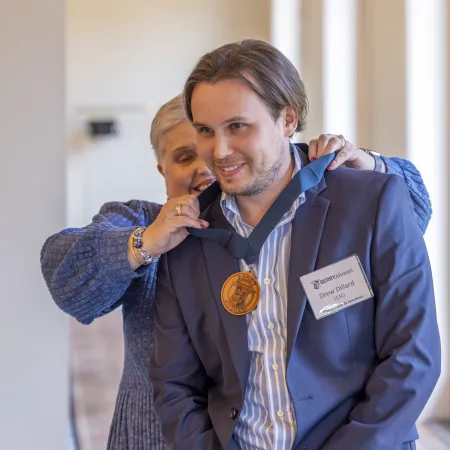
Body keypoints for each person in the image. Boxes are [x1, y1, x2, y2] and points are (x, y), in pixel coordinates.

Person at [41, 93, 432, 450]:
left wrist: (370, 164)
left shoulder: (305, 212)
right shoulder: (146, 222)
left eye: (214, 149)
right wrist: (145, 243)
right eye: (183, 157)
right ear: (161, 170)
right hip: (158, 437)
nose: (207, 167)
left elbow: (409, 217)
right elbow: (67, 281)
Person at [149, 40, 440, 450]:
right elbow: (174, 385)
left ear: (288, 119)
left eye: (237, 126)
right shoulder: (186, 236)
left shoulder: (371, 202)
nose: (220, 151)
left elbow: (413, 358)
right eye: (205, 131)